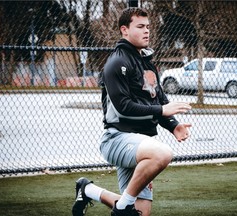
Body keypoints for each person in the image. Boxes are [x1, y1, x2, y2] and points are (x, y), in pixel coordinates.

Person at [72, 7, 192, 216]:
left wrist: (174, 125)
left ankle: (88, 189)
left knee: (141, 213)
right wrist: (163, 110)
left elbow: (158, 101)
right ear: (124, 30)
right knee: (163, 153)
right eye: (140, 27)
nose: (146, 31)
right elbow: (124, 108)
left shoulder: (147, 64)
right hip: (117, 139)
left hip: (141, 144)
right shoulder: (117, 63)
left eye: (148, 27)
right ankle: (122, 206)